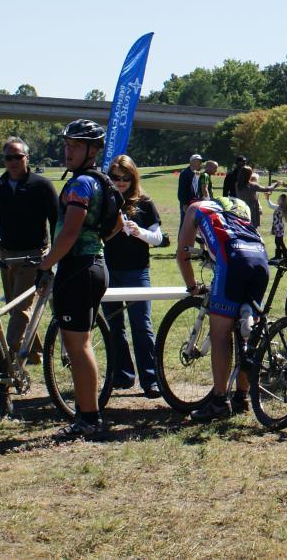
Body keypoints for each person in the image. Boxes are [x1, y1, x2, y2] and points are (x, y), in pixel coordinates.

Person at [38, 120, 123, 438]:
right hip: (95, 265)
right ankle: (89, 416)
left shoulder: (81, 185)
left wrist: (47, 263)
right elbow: (117, 224)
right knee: (80, 344)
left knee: (78, 346)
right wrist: (95, 242)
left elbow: (70, 231)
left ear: (92, 150)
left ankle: (88, 418)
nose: (67, 151)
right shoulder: (102, 182)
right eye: (66, 145)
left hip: (77, 269)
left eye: (75, 146)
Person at [175, 195, 267, 420]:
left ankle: (218, 402)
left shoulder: (195, 208)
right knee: (247, 334)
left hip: (232, 258)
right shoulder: (239, 206)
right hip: (259, 258)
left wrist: (192, 286)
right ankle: (242, 397)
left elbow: (183, 252)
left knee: (220, 335)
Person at [0, 136, 58, 366]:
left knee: (20, 309)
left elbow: (56, 220)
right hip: (7, 256)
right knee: (16, 306)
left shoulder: (42, 185)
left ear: (27, 158)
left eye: (18, 156)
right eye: (8, 157)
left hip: (34, 256)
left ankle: (7, 357)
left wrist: (54, 255)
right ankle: (34, 354)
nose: (13, 161)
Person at [102, 154, 163, 398]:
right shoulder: (104, 201)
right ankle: (122, 376)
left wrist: (141, 233)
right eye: (116, 178)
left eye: (126, 178)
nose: (121, 182)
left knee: (142, 325)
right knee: (114, 327)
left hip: (137, 271)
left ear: (133, 177)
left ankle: (150, 379)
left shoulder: (145, 203)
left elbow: (158, 238)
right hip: (109, 270)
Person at [236, 165, 276, 229]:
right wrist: (275, 184)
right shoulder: (253, 185)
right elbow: (267, 189)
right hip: (252, 211)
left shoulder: (237, 185)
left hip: (241, 210)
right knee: (253, 229)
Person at [177, 153, 204, 223]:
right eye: (199, 161)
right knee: (185, 222)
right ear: (192, 162)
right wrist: (184, 204)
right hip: (187, 203)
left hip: (196, 202)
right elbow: (182, 190)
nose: (201, 163)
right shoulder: (185, 173)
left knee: (194, 223)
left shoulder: (197, 173)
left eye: (201, 161)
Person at [266, 192, 287, 259]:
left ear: (282, 201)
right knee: (278, 241)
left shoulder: (281, 208)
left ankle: (284, 255)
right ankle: (280, 255)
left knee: (279, 241)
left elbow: (271, 206)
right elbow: (270, 205)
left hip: (279, 227)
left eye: (279, 199)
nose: (277, 200)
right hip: (277, 227)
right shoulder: (279, 207)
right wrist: (268, 198)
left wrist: (268, 198)